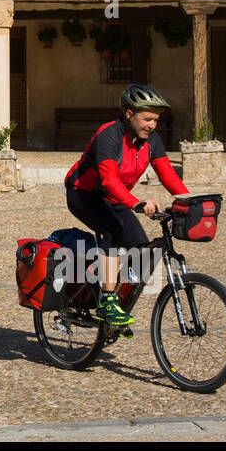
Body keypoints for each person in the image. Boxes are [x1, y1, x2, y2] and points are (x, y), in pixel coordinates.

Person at [62, 83, 189, 330]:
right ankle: (107, 302)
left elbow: (168, 175)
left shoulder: (151, 142)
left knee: (142, 253)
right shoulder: (108, 136)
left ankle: (108, 295)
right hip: (83, 194)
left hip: (114, 198)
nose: (152, 125)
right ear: (129, 114)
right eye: (147, 119)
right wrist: (137, 203)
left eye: (156, 120)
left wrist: (190, 200)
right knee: (112, 230)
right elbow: (109, 179)